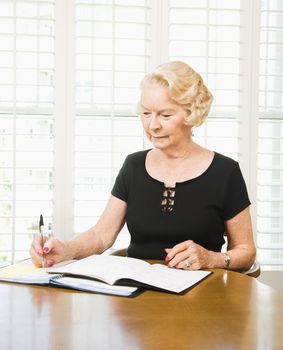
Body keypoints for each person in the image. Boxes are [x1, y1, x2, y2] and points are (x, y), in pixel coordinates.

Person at [30, 61, 256, 271]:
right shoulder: (134, 165)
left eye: (165, 115)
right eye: (146, 113)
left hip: (202, 297)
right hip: (137, 296)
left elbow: (246, 252)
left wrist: (213, 258)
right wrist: (65, 249)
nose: (152, 125)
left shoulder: (225, 172)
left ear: (191, 113)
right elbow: (101, 235)